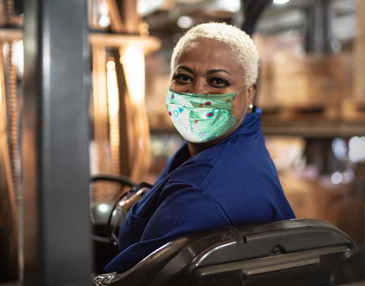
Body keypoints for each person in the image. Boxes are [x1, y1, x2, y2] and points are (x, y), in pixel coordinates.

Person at [104, 23, 295, 273]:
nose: (197, 92)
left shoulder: (200, 192)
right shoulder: (225, 145)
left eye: (217, 81)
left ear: (249, 94)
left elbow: (126, 282)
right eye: (183, 77)